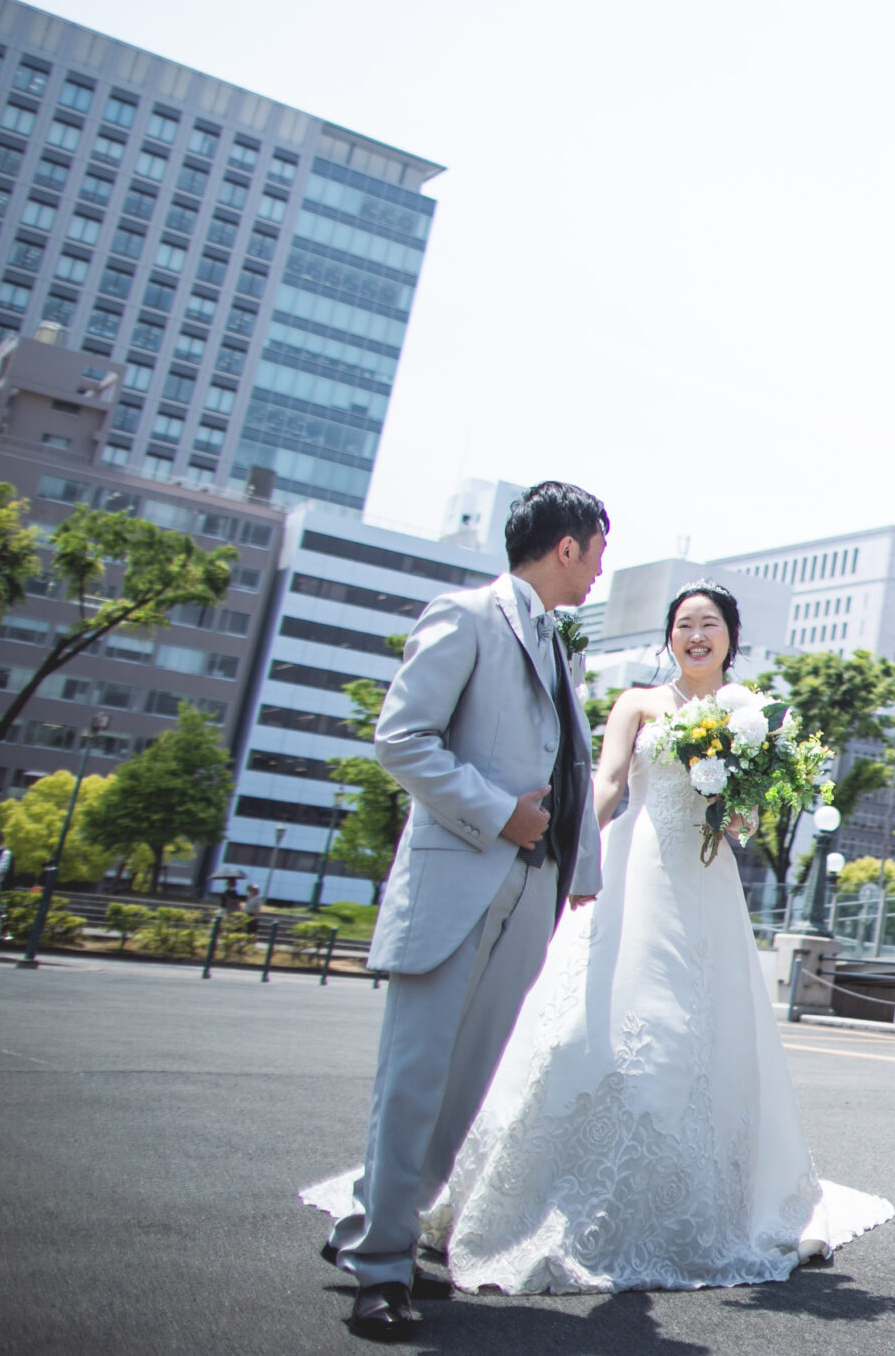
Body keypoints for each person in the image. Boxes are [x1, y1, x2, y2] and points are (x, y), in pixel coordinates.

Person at [397, 580, 890, 1294]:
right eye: (684, 623)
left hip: (708, 881)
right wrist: (569, 844)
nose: (696, 635)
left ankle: (691, 1199)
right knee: (583, 1025)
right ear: (669, 637)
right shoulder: (637, 701)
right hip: (633, 868)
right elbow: (607, 782)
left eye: (710, 624)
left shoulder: (754, 713)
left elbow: (745, 825)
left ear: (730, 637)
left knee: (697, 1034)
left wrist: (736, 798)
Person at [302, 481, 610, 1341]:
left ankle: (378, 1232)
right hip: (458, 875)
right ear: (568, 546)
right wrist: (496, 810)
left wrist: (576, 867)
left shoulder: (559, 646)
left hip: (530, 887)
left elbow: (573, 769)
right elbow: (401, 737)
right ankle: (381, 1267)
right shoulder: (467, 614)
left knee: (463, 1083)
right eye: (597, 552)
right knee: (414, 1077)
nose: (597, 572)